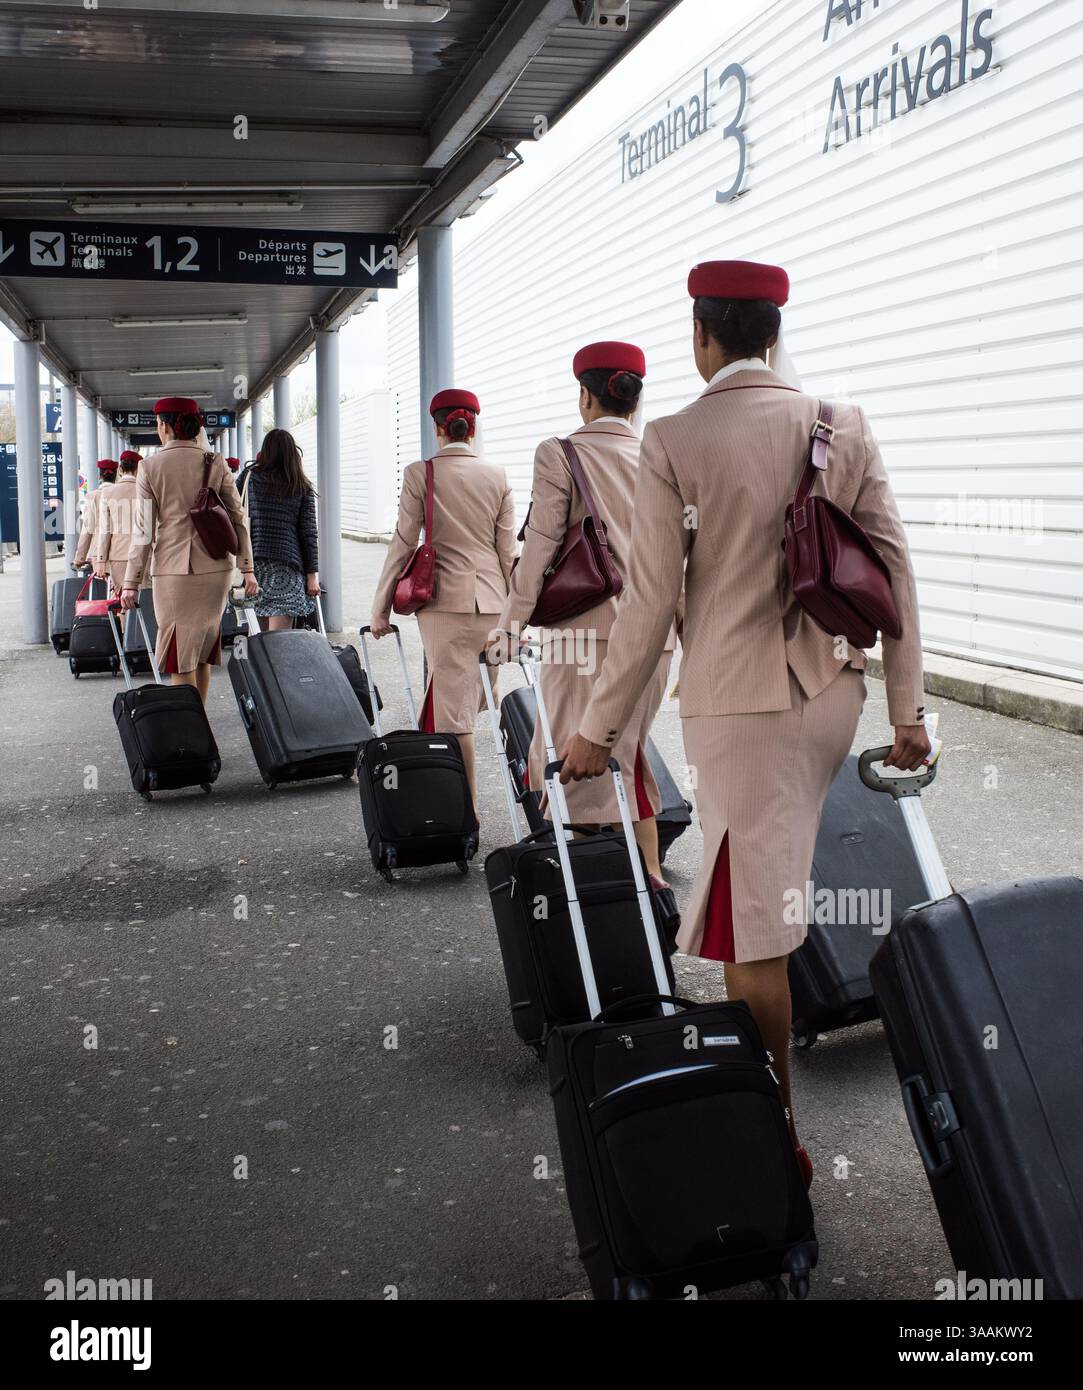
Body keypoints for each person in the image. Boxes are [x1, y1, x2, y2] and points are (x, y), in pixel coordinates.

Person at [560, 260, 929, 1186]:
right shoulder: (839, 424)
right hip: (832, 700)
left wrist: (597, 731)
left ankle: (775, 1141)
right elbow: (894, 574)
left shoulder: (678, 438)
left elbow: (647, 608)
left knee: (744, 923)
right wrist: (907, 713)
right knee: (765, 890)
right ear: (771, 331)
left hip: (738, 709)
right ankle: (769, 1109)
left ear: (702, 337)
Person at [485, 341, 680, 929]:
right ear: (636, 396)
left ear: (585, 395)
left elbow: (540, 548)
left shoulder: (561, 453)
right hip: (656, 641)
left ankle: (593, 919)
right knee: (629, 760)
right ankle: (653, 904)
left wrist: (509, 626)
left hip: (584, 640)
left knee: (573, 772)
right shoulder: (662, 455)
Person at [370, 389, 516, 807]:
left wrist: (380, 608)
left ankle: (464, 811)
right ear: (473, 427)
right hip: (492, 604)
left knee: (456, 716)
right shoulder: (498, 476)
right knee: (460, 701)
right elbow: (509, 555)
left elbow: (403, 543)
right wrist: (518, 619)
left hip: (444, 605)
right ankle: (439, 794)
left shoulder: (422, 473)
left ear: (438, 428)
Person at [119, 396, 255, 705]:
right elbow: (238, 518)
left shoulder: (150, 467)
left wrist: (130, 582)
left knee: (179, 652)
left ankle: (190, 733)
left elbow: (143, 532)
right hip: (216, 568)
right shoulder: (215, 461)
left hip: (172, 572)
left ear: (163, 425)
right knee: (204, 648)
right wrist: (246, 566)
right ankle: (200, 723)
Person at [242, 430, 320, 632]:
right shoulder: (301, 486)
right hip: (287, 570)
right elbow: (308, 534)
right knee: (281, 644)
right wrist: (312, 576)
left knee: (258, 642)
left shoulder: (249, 478)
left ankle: (258, 665)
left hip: (255, 568)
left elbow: (234, 516)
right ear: (291, 453)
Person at [93, 451, 147, 625]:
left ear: (121, 469)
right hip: (146, 554)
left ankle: (126, 640)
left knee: (123, 602)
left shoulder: (108, 494)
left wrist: (101, 560)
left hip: (118, 556)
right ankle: (145, 642)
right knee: (145, 599)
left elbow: (104, 530)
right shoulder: (146, 490)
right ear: (139, 468)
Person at [72, 459, 118, 569]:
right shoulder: (121, 494)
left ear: (100, 476)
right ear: (116, 475)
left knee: (100, 585)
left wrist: (79, 559)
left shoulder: (92, 496)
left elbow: (87, 529)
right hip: (120, 554)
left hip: (98, 556)